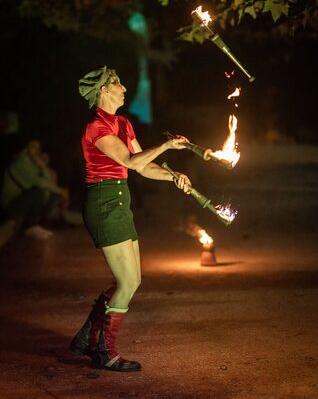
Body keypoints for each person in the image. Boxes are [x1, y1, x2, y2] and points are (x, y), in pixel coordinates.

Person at [69, 65, 191, 372]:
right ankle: (104, 352)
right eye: (118, 83)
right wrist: (165, 144)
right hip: (103, 202)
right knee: (129, 281)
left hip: (120, 201)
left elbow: (143, 167)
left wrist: (173, 176)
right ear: (104, 91)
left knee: (130, 280)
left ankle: (87, 338)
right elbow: (128, 160)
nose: (124, 87)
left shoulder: (122, 123)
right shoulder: (96, 127)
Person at [0, 140, 68, 244]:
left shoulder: (33, 164)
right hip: (11, 205)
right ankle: (30, 226)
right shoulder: (21, 162)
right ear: (26, 149)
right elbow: (40, 182)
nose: (36, 151)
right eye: (33, 147)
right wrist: (61, 192)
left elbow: (47, 181)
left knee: (51, 194)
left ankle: (38, 225)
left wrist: (43, 167)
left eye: (38, 148)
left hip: (23, 202)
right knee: (38, 192)